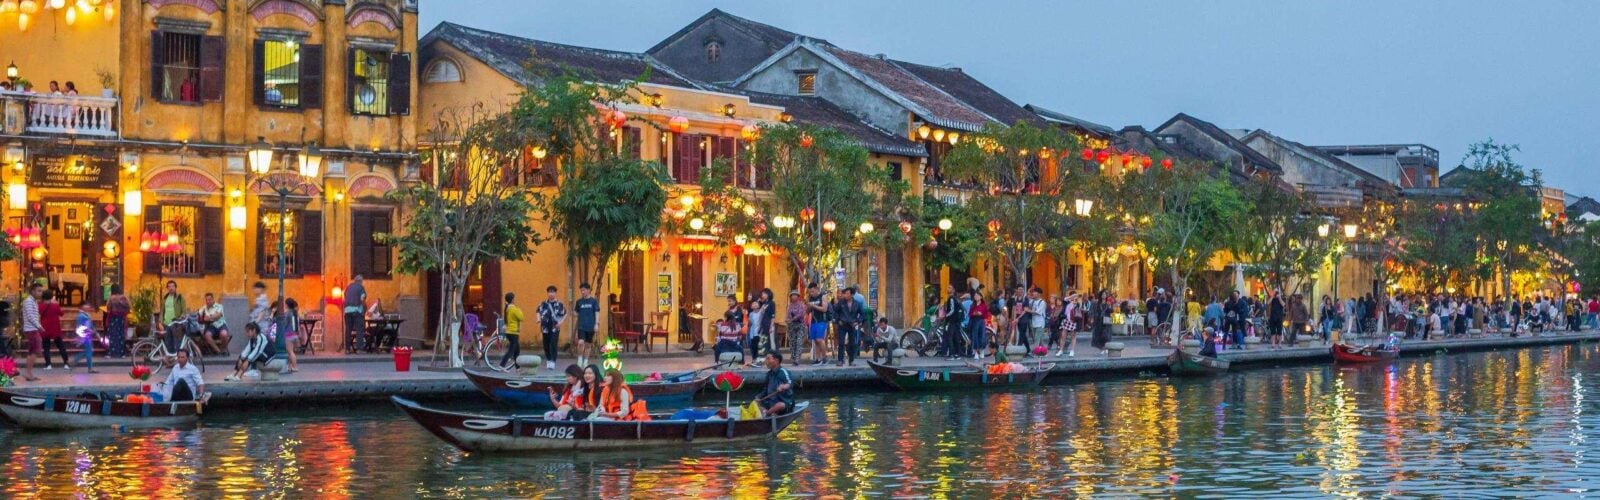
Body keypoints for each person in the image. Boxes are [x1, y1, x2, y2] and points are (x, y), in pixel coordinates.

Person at [829, 288, 863, 366]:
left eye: (847, 293)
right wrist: (838, 320)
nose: (845, 295)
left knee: (852, 343)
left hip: (852, 325)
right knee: (841, 343)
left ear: (851, 294)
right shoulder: (841, 302)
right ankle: (840, 360)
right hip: (842, 324)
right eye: (845, 293)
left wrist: (857, 321)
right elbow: (835, 311)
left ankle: (851, 360)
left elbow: (862, 314)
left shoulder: (857, 303)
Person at [536, 285, 567, 371]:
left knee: (553, 343)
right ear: (547, 293)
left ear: (555, 293)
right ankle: (549, 359)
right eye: (549, 292)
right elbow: (538, 311)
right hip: (545, 326)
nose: (551, 293)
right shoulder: (543, 304)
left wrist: (560, 323)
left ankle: (553, 361)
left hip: (555, 327)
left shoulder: (559, 304)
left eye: (553, 292)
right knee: (546, 344)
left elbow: (565, 314)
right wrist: (538, 319)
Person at [18, 283, 43, 382]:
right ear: (32, 291)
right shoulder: (28, 301)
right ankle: (28, 373)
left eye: (41, 291)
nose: (40, 293)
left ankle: (29, 373)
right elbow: (30, 316)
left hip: (33, 329)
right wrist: (39, 326)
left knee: (33, 351)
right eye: (38, 291)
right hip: (31, 329)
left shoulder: (33, 301)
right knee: (34, 351)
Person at [756, 351, 793, 417]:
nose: (765, 361)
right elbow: (765, 390)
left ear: (776, 360)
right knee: (756, 403)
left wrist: (783, 386)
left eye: (768, 358)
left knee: (780, 405)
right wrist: (758, 397)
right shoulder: (769, 374)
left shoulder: (783, 371)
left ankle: (767, 414)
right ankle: (770, 412)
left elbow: (789, 383)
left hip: (784, 402)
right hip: (771, 402)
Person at [572, 283, 601, 368]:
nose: (582, 292)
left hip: (591, 326)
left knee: (588, 344)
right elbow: (576, 312)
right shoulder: (579, 302)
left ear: (588, 290)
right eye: (581, 290)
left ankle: (586, 361)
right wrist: (573, 313)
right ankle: (580, 359)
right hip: (581, 326)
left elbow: (597, 313)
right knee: (581, 342)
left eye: (584, 290)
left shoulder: (594, 301)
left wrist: (596, 324)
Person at [714, 294, 746, 362]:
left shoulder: (738, 308)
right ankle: (742, 362)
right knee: (741, 349)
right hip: (734, 343)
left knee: (717, 349)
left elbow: (720, 336)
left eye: (730, 301)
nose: (729, 303)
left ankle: (716, 362)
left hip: (724, 344)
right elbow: (739, 337)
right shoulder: (736, 325)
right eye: (728, 301)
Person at [39, 290, 65, 370]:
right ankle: (66, 363)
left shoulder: (40, 305)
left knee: (46, 348)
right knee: (61, 346)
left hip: (45, 329)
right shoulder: (55, 305)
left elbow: (38, 314)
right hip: (55, 328)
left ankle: (48, 364)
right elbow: (61, 313)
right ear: (51, 297)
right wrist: (56, 303)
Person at [805, 283, 829, 365]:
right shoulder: (810, 298)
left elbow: (824, 309)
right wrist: (808, 307)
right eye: (810, 292)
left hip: (821, 320)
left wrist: (814, 306)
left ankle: (825, 357)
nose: (811, 293)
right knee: (815, 340)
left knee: (820, 339)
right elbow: (808, 311)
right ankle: (818, 359)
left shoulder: (823, 296)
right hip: (813, 321)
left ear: (816, 289)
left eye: (812, 291)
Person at [70, 303, 98, 373]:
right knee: (89, 351)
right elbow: (80, 326)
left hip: (87, 334)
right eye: (86, 305)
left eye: (88, 305)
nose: (88, 306)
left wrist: (95, 332)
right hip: (85, 335)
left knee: (89, 350)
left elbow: (91, 325)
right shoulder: (81, 316)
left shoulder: (86, 315)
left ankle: (75, 359)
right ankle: (89, 368)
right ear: (82, 307)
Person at [343, 275, 368, 353]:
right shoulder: (361, 288)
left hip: (347, 311)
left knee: (348, 330)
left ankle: (347, 349)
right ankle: (359, 349)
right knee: (359, 330)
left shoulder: (348, 287)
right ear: (361, 281)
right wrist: (364, 308)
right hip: (357, 311)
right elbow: (362, 298)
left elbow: (345, 296)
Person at [499, 293, 524, 369]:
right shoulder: (513, 309)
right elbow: (521, 317)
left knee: (517, 350)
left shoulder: (507, 308)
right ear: (512, 300)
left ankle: (518, 368)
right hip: (513, 332)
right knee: (511, 350)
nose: (515, 299)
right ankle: (502, 365)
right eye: (515, 298)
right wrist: (519, 309)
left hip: (509, 332)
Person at [106, 285, 130, 358]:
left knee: (113, 336)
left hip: (113, 319)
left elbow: (108, 308)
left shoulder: (111, 298)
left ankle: (112, 353)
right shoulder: (124, 298)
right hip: (122, 319)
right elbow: (129, 307)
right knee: (121, 335)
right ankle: (122, 353)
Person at [785, 291, 806, 365]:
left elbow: (801, 314)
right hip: (791, 326)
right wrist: (787, 319)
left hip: (800, 325)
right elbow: (787, 315)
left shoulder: (801, 304)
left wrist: (792, 319)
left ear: (798, 296)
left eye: (795, 295)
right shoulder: (790, 305)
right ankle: (793, 359)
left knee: (799, 342)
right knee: (792, 342)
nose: (793, 297)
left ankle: (797, 359)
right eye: (792, 295)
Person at [1026, 287, 1048, 355]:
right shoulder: (1032, 301)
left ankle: (1035, 352)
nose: (1033, 293)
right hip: (1033, 322)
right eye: (1033, 292)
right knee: (1039, 339)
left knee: (1037, 338)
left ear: (1039, 294)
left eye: (1035, 292)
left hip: (1040, 323)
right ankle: (1044, 352)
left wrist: (1028, 310)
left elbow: (1037, 312)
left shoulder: (1042, 302)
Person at [282, 298, 301, 372]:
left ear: (286, 304)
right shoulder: (295, 312)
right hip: (294, 334)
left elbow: (285, 324)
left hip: (288, 335)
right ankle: (290, 366)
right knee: (290, 352)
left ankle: (295, 366)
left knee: (290, 352)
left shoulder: (287, 313)